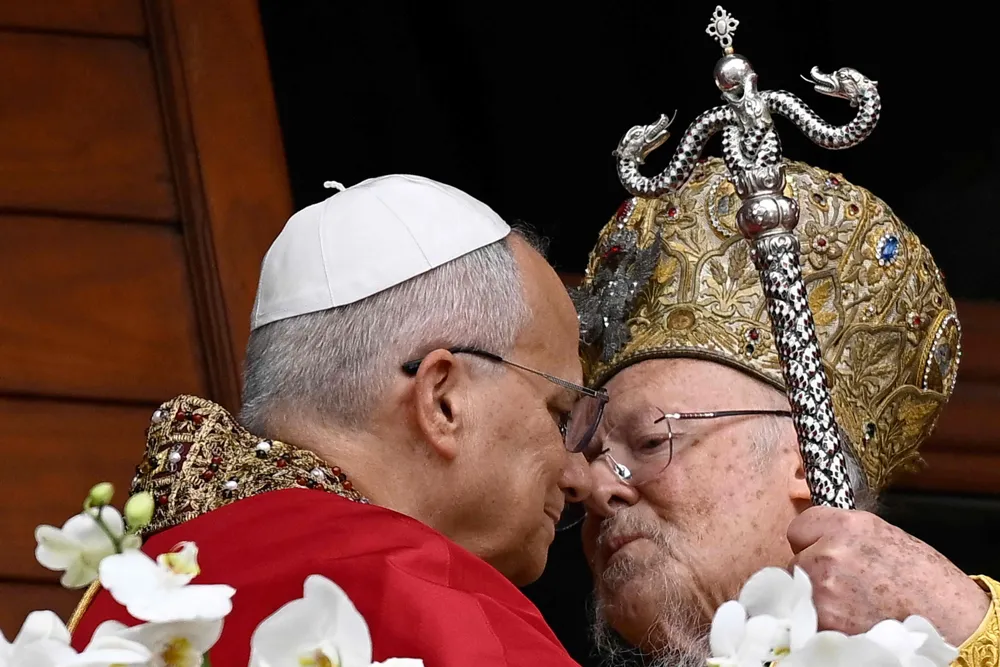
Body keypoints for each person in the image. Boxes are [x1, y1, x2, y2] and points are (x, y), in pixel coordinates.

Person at [568, 11, 998, 667]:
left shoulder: (945, 636)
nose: (598, 488)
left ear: (803, 459)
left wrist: (966, 627)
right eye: (591, 452)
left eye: (652, 440)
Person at [67, 174, 600, 666]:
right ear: (442, 401)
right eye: (560, 414)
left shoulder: (123, 608)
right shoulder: (447, 612)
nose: (580, 477)